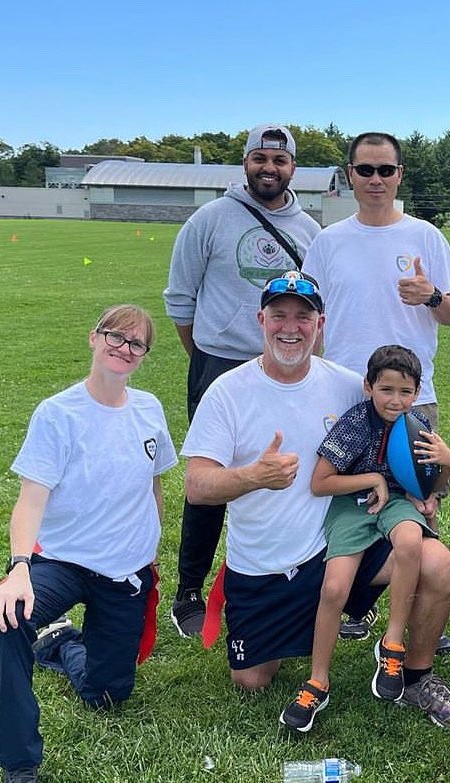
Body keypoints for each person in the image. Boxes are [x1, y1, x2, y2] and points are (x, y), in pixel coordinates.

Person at [181, 271, 450, 730]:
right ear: (261, 319)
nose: (291, 327)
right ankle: (292, 635)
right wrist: (254, 476)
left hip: (342, 543)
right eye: (279, 315)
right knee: (252, 679)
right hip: (266, 563)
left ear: (321, 323)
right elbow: (196, 486)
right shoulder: (227, 392)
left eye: (304, 316)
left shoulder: (349, 384)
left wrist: (429, 484)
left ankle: (415, 674)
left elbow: (406, 439)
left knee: (434, 560)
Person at [0, 305, 177, 783]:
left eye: (137, 344)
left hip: (125, 570)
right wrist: (19, 568)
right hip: (62, 563)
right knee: (3, 624)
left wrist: (150, 552)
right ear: (94, 338)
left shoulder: (149, 408)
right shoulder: (57, 413)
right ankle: (19, 766)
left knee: (107, 696)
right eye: (116, 336)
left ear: (144, 357)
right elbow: (30, 500)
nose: (124, 348)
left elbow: (154, 485)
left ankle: (62, 641)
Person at [303, 131, 450, 643]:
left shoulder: (425, 236)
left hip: (414, 399)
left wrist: (432, 294)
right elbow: (311, 318)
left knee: (420, 503)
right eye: (365, 170)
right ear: (349, 174)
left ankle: (421, 615)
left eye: (386, 170)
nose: (376, 180)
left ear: (399, 175)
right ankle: (351, 600)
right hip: (346, 394)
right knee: (349, 504)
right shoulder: (328, 241)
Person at [163, 124, 321, 639]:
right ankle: (190, 589)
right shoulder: (209, 219)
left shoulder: (310, 232)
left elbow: (317, 306)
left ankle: (282, 577)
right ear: (245, 163)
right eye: (259, 158)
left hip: (288, 370)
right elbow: (181, 299)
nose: (269, 168)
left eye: (279, 160)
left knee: (285, 473)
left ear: (292, 167)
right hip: (218, 364)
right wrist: (208, 354)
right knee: (210, 482)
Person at [279, 345, 450, 724]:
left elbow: (429, 487)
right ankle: (317, 682)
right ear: (368, 387)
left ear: (418, 391)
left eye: (405, 392)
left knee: (411, 541)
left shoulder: (419, 425)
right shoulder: (356, 423)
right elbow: (320, 482)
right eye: (386, 389)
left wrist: (445, 465)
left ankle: (392, 644)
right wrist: (373, 478)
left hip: (396, 503)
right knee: (334, 589)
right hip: (351, 504)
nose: (395, 400)